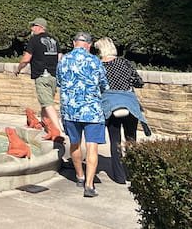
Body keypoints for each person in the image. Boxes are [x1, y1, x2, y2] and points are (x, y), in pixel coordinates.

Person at [56, 31, 108, 199]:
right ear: (89, 45)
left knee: (75, 144)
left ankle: (79, 175)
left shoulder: (63, 61)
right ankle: (89, 185)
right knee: (92, 146)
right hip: (92, 111)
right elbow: (104, 85)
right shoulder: (95, 61)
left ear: (74, 43)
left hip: (71, 110)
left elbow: (59, 82)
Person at [94, 37, 151, 184]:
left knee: (115, 140)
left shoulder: (99, 66)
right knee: (131, 138)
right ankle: (132, 172)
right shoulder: (125, 63)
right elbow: (138, 82)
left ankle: (119, 177)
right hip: (129, 104)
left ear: (101, 50)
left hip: (110, 105)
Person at [14, 18, 61, 128]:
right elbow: (59, 57)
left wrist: (18, 68)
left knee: (48, 104)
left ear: (40, 27)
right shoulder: (54, 39)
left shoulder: (34, 40)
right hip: (53, 75)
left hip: (42, 75)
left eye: (34, 26)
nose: (32, 28)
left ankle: (58, 130)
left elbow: (26, 58)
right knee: (45, 102)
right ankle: (45, 125)